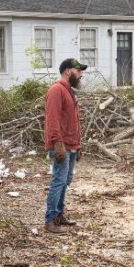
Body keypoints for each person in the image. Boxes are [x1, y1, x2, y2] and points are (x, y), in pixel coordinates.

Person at [43, 58, 86, 234]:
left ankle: (59, 214)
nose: (80, 74)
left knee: (65, 181)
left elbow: (72, 120)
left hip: (71, 144)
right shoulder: (56, 90)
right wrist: (57, 143)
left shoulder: (69, 91)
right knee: (58, 180)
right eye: (78, 71)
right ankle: (50, 219)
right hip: (61, 144)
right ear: (68, 71)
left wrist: (78, 143)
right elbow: (52, 119)